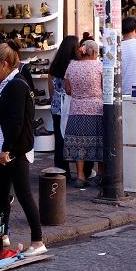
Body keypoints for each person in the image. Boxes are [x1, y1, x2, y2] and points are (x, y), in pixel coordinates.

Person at [0, 41, 46, 257]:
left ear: (6, 64)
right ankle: (2, 236)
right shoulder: (1, 84)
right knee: (0, 195)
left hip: (13, 150)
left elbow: (16, 122)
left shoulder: (16, 85)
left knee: (23, 194)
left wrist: (6, 149)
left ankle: (37, 241)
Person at [63, 39, 104, 188]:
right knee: (100, 142)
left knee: (79, 143)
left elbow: (68, 90)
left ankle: (80, 175)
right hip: (97, 110)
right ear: (93, 52)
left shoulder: (71, 66)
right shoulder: (100, 66)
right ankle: (100, 174)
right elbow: (105, 88)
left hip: (76, 110)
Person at [48, 35, 78, 178]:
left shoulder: (55, 65)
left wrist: (53, 100)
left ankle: (61, 169)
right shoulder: (74, 65)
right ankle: (80, 170)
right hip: (71, 104)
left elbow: (50, 88)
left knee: (59, 139)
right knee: (76, 136)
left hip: (56, 104)